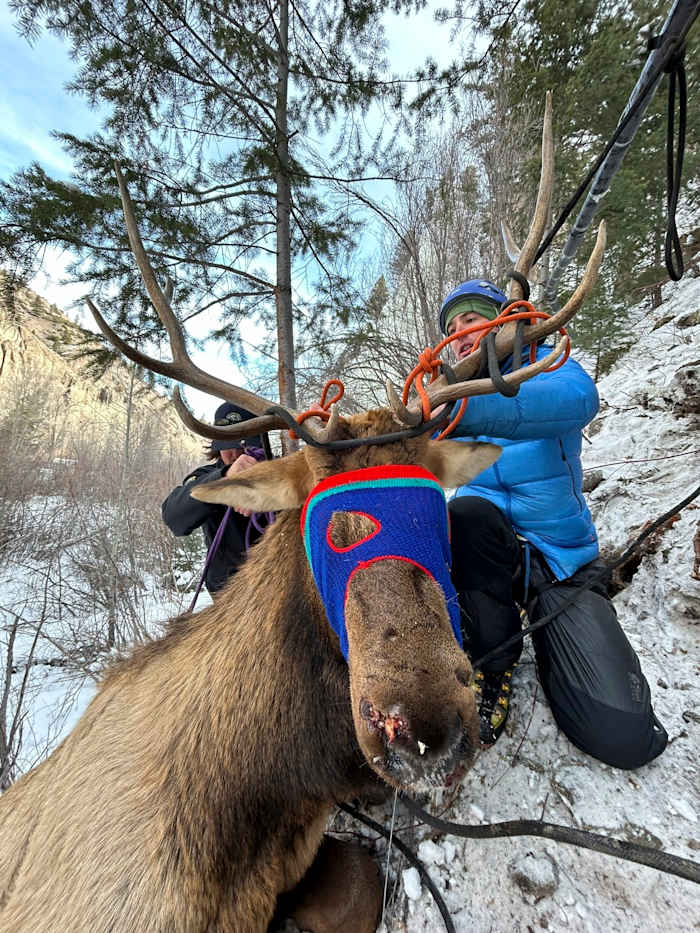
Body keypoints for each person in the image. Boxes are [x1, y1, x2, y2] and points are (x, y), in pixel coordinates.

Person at [440, 279, 667, 769]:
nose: (459, 335)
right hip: (487, 556)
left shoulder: (547, 365)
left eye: (471, 319)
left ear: (504, 322)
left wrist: (467, 406)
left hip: (557, 560)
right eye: (451, 328)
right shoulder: (445, 398)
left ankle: (550, 629)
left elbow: (577, 400)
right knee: (464, 515)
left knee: (621, 735)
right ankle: (494, 661)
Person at [162, 402, 273, 597]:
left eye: (244, 446)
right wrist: (224, 480)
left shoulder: (277, 473)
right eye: (227, 446)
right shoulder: (206, 476)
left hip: (278, 587)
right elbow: (174, 517)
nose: (236, 454)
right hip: (229, 597)